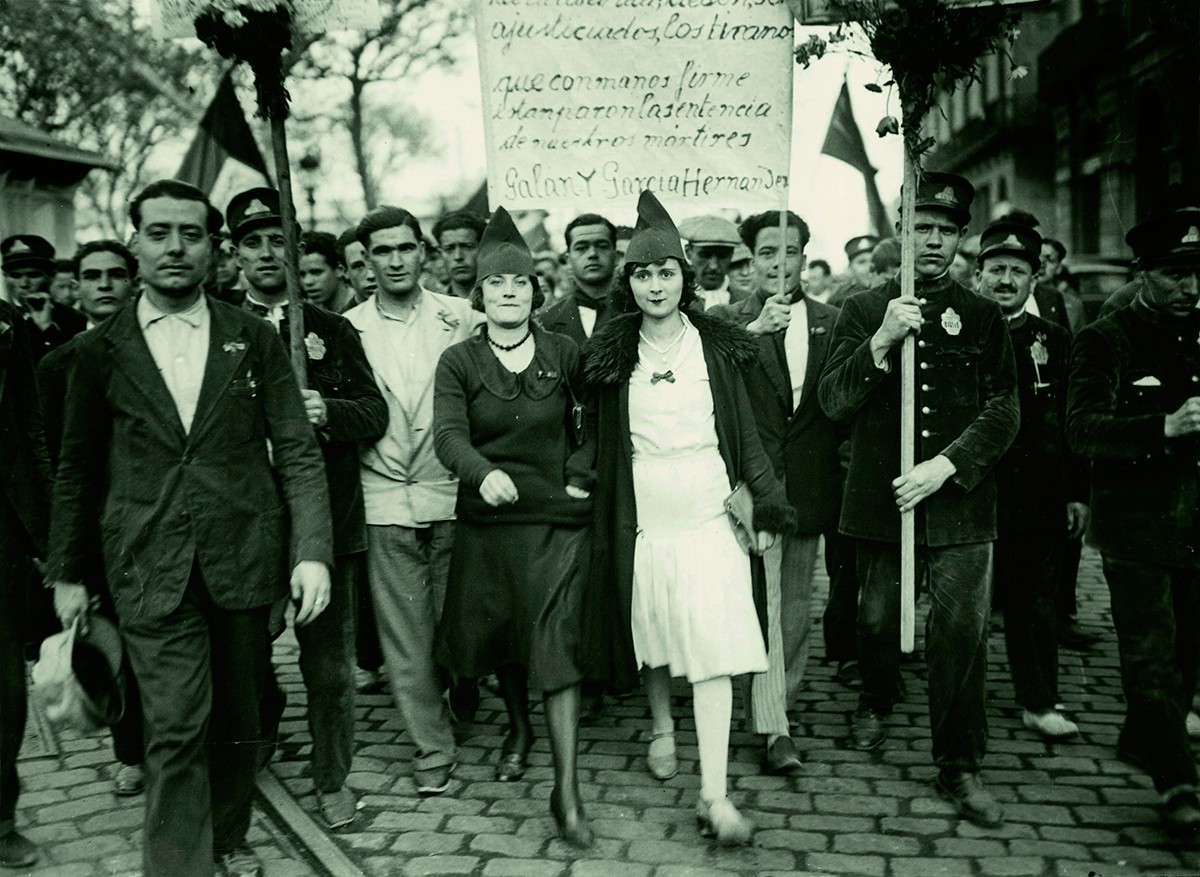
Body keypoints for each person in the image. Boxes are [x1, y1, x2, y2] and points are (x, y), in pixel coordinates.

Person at [47, 179, 333, 877]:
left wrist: (312, 551)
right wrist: (67, 574)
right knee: (174, 727)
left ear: (215, 247)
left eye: (191, 233)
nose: (175, 247)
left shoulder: (253, 339)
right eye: (159, 232)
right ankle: (180, 866)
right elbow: (76, 469)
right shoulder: (99, 352)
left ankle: (227, 839)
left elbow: (296, 447)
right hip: (148, 562)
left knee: (239, 724)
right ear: (134, 239)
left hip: (243, 558)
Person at [583, 190, 793, 845]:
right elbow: (595, 440)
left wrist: (763, 498)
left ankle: (714, 792)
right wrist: (574, 477)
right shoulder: (613, 355)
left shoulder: (720, 346)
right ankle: (660, 724)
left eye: (665, 271)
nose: (655, 284)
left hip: (708, 507)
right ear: (631, 282)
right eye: (643, 273)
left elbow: (748, 437)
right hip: (644, 513)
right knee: (656, 630)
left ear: (685, 275)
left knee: (711, 648)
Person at [818, 171, 1018, 828]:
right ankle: (877, 695)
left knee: (960, 633)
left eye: (944, 230)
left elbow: (1004, 408)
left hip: (958, 501)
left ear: (961, 239)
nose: (931, 240)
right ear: (899, 232)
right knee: (876, 619)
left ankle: (960, 763)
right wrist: (879, 339)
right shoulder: (859, 305)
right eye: (919, 227)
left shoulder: (984, 314)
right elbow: (832, 400)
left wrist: (946, 464)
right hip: (881, 499)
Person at [433, 207, 596, 847]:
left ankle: (567, 790)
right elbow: (447, 434)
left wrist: (581, 472)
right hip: (490, 521)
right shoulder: (459, 362)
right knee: (503, 637)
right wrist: (477, 471)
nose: (508, 293)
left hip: (557, 521)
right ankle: (518, 727)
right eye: (497, 284)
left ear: (536, 290)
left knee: (554, 639)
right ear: (480, 293)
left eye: (520, 283)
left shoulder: (564, 352)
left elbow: (593, 425)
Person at [230, 187, 388, 829]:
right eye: (253, 241)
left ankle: (331, 778)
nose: (268, 253)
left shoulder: (330, 329)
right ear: (234, 253)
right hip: (246, 528)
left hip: (329, 525)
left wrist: (331, 411)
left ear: (297, 249)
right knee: (246, 657)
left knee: (328, 670)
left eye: (279, 240)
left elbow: (374, 412)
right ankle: (258, 738)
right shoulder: (219, 328)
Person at [1066, 201, 1200, 832]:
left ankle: (1141, 736)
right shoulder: (1105, 338)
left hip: (1195, 524)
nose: (1191, 287)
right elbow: (1082, 431)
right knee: (1150, 652)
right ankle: (1177, 784)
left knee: (1189, 652)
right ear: (1143, 272)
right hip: (1135, 524)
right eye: (1176, 273)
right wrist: (1162, 427)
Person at [344, 206, 481, 797]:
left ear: (423, 252)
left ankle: (460, 680)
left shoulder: (463, 319)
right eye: (382, 252)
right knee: (406, 636)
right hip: (383, 496)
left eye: (405, 248)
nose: (396, 260)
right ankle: (433, 746)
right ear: (367, 262)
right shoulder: (345, 328)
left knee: (457, 625)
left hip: (452, 493)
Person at [710, 210, 841, 774]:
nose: (778, 263)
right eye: (767, 252)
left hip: (805, 488)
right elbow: (705, 373)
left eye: (789, 251)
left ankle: (776, 719)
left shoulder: (832, 321)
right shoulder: (723, 321)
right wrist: (754, 329)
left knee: (791, 611)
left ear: (805, 258)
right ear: (750, 261)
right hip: (745, 488)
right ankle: (753, 716)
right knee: (747, 606)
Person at [37, 239, 146, 798]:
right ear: (75, 287)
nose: (104, 285)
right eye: (91, 276)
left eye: (115, 275)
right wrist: (66, 561)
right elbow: (59, 463)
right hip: (99, 531)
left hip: (156, 519)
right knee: (114, 644)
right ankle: (131, 751)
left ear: (135, 281)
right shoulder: (56, 366)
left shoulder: (152, 349)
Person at [975, 220, 1084, 741]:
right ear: (978, 274)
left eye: (1017, 271)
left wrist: (1076, 492)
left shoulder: (1054, 340)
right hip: (973, 490)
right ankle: (961, 695)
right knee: (969, 602)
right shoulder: (958, 328)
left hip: (1038, 494)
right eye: (995, 269)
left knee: (1035, 600)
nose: (1005, 280)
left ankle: (1037, 700)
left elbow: (1070, 422)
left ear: (1034, 280)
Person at [0, 290, 51, 870]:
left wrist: (51, 538)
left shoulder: (5, 321)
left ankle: (1, 819)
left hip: (3, 538)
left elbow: (32, 430)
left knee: (7, 694)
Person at [0, 235, 86, 363]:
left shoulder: (74, 319)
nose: (24, 283)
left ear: (50, 277)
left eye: (33, 275)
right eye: (15, 276)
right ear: (5, 277)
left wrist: (46, 328)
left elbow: (70, 368)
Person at [537, 213, 618, 346]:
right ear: (568, 260)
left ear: (616, 257)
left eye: (602, 246)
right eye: (581, 248)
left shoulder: (639, 314)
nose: (592, 254)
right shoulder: (546, 322)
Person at [677, 214, 744, 309]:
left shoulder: (748, 301)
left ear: (732, 255)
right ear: (688, 252)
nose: (713, 266)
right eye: (704, 255)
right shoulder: (675, 300)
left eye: (723, 255)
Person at [432, 210, 487, 298]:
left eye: (468, 247)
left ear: (483, 249)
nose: (458, 256)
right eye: (449, 249)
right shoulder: (433, 305)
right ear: (440, 253)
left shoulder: (500, 300)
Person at [299, 230, 355, 313]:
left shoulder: (363, 306)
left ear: (340, 270)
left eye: (316, 272)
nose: (308, 281)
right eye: (302, 274)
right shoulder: (309, 313)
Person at [336, 227, 378, 307]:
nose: (371, 275)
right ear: (344, 271)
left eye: (374, 263)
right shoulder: (343, 318)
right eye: (359, 266)